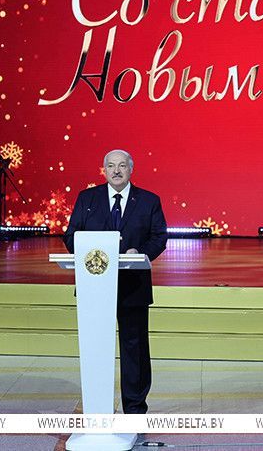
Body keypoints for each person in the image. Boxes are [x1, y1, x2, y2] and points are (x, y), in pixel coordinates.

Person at [63, 149, 168, 414]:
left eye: (122, 165)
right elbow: (71, 236)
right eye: (111, 166)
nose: (116, 171)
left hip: (133, 286)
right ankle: (98, 409)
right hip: (95, 286)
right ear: (104, 170)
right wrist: (92, 251)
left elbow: (159, 237)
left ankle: (134, 409)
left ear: (131, 169)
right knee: (96, 347)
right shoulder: (87, 198)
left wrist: (140, 252)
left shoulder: (149, 200)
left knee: (135, 349)